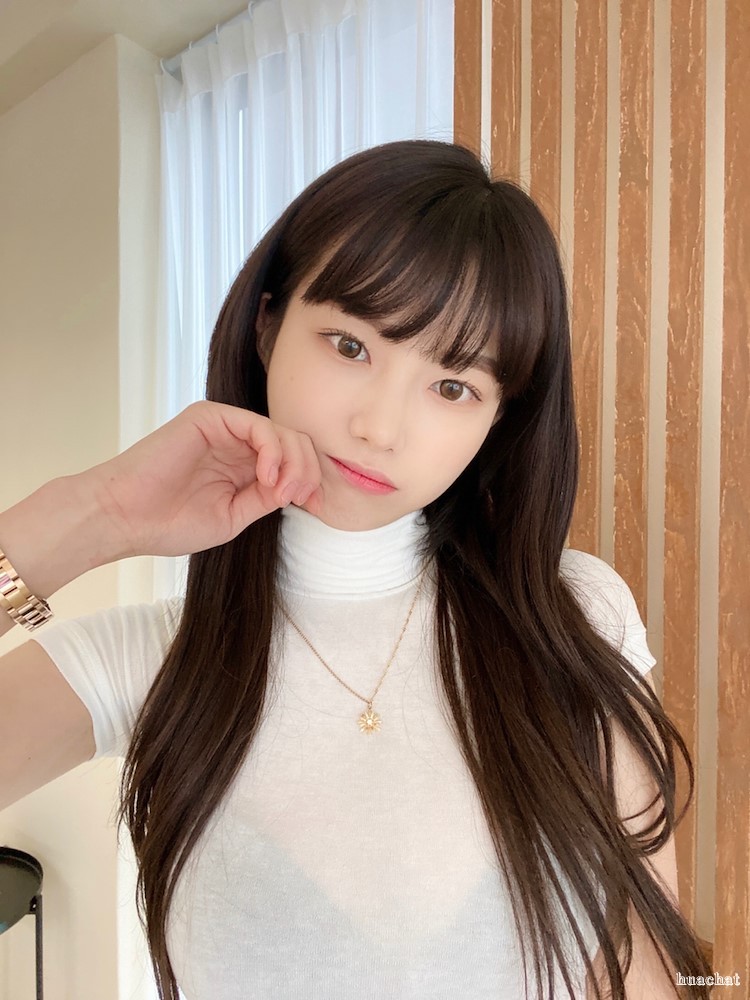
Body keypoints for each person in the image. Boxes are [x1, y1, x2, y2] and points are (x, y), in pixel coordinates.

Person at [0, 140, 711, 1000]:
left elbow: (646, 965)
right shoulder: (153, 661)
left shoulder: (574, 616)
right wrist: (95, 514)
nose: (379, 427)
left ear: (499, 420)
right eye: (350, 345)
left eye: (452, 386)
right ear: (267, 326)